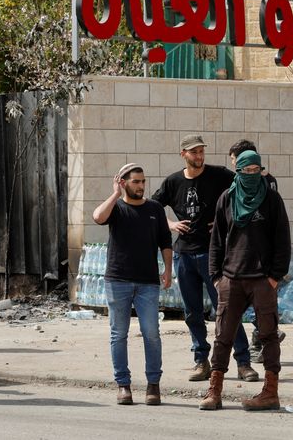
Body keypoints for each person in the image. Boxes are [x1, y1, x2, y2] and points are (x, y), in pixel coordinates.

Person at [152, 134, 258, 383]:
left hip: (213, 255)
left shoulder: (219, 175)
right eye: (194, 152)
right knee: (192, 313)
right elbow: (153, 207)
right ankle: (201, 361)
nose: (199, 156)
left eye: (201, 152)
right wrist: (171, 224)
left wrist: (228, 221)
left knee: (227, 311)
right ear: (183, 155)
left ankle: (243, 362)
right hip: (184, 256)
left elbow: (244, 190)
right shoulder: (173, 182)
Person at [199, 150, 291, 411]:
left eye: (255, 170)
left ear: (261, 170)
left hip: (262, 280)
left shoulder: (272, 199)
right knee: (222, 337)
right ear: (237, 172)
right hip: (232, 279)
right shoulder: (227, 199)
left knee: (268, 335)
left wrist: (274, 277)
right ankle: (214, 391)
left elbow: (282, 241)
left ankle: (270, 392)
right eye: (245, 170)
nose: (250, 175)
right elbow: (216, 240)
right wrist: (217, 277)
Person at [93, 163, 173, 406]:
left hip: (148, 282)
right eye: (135, 181)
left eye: (143, 181)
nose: (140, 186)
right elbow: (97, 217)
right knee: (119, 334)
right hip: (118, 280)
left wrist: (168, 270)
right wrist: (115, 194)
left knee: (151, 334)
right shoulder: (116, 208)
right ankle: (123, 385)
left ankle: (153, 386)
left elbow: (165, 241)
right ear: (124, 182)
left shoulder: (155, 209)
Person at [228, 139, 284, 363]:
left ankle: (262, 342)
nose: (233, 165)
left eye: (235, 159)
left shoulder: (263, 185)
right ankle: (262, 338)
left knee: (261, 304)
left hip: (260, 257)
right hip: (249, 259)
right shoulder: (266, 180)